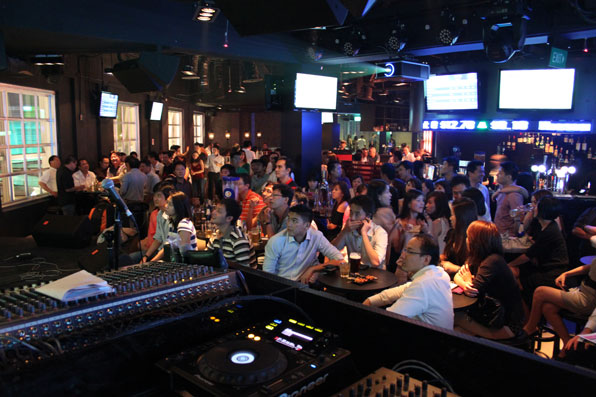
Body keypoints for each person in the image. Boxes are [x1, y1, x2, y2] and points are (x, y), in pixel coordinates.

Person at [363, 234, 453, 329]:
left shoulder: (423, 285)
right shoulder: (439, 273)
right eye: (405, 250)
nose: (403, 255)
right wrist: (370, 301)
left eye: (409, 251)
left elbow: (389, 318)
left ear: (426, 259)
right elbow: (403, 289)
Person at [454, 221, 524, 340]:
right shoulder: (477, 257)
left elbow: (472, 290)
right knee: (455, 326)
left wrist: (466, 281)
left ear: (477, 241)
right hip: (490, 316)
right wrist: (465, 282)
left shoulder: (493, 261)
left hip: (506, 324)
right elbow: (458, 275)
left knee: (454, 319)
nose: (466, 240)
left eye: (468, 236)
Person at [523, 257, 596, 350]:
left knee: (540, 291)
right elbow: (591, 267)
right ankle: (566, 344)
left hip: (587, 301)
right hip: (581, 292)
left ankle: (530, 328)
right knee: (548, 308)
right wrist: (566, 273)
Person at [507, 196, 568, 305]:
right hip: (545, 267)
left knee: (516, 282)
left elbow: (528, 255)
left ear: (542, 211)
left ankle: (525, 317)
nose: (533, 208)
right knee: (516, 272)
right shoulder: (547, 226)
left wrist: (508, 264)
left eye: (536, 206)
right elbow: (522, 235)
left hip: (552, 273)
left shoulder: (550, 231)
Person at [263, 204, 344, 283]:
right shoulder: (276, 241)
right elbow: (267, 275)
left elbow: (340, 260)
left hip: (306, 285)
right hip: (282, 286)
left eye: (294, 221)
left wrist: (314, 269)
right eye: (288, 219)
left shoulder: (316, 236)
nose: (289, 224)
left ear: (307, 225)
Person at [333, 195, 388, 269]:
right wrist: (344, 231)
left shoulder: (380, 232)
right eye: (351, 212)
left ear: (368, 216)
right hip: (354, 274)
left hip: (376, 276)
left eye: (357, 214)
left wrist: (364, 233)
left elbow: (375, 262)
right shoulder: (348, 229)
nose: (352, 218)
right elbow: (332, 251)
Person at [207, 198, 257, 268]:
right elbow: (207, 260)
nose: (213, 212)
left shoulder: (239, 240)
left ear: (229, 218)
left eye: (219, 211)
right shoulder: (216, 235)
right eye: (215, 209)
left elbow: (244, 272)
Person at [136, 184, 175, 263]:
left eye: (159, 196)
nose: (156, 199)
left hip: (170, 254)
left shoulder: (172, 217)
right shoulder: (160, 214)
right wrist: (146, 256)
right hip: (160, 251)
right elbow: (158, 238)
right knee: (129, 258)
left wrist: (151, 262)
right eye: (155, 196)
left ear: (167, 198)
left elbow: (169, 246)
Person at [440, 198, 477, 276]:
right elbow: (446, 255)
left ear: (462, 217)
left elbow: (475, 271)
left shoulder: (475, 239)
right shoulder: (452, 234)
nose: (450, 218)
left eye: (453, 215)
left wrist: (455, 268)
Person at [494, 161, 524, 236]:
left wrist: (514, 235)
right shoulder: (501, 191)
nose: (497, 175)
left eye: (500, 173)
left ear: (509, 177)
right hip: (499, 234)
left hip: (507, 237)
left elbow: (518, 219)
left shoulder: (514, 195)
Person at [395, 189, 429, 255]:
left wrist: (426, 231)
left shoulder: (424, 221)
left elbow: (431, 245)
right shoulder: (400, 222)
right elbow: (397, 249)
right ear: (409, 204)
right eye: (418, 200)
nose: (422, 203)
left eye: (423, 200)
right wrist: (403, 233)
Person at [425, 191, 451, 255]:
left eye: (430, 203)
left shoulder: (437, 222)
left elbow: (432, 244)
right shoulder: (447, 220)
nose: (426, 205)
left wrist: (425, 230)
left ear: (438, 204)